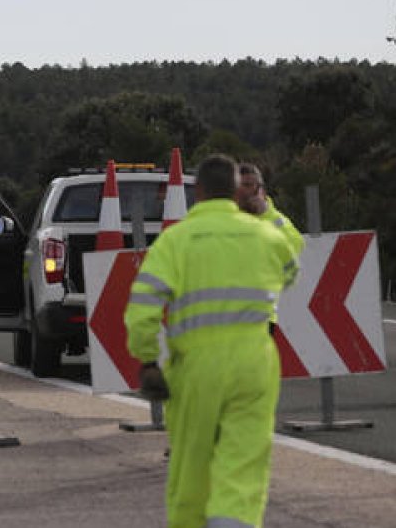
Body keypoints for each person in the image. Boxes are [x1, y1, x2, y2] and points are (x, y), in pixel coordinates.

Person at [125, 154, 299, 528]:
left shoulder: (175, 241)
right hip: (255, 362)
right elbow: (290, 267)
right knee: (244, 461)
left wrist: (148, 359)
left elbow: (143, 307)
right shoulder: (264, 235)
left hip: (196, 367)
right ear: (238, 190)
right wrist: (265, 214)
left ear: (197, 191)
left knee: (192, 469)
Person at [235, 163, 305, 256]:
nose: (243, 192)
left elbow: (295, 245)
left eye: (248, 185)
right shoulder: (227, 218)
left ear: (261, 190)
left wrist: (266, 214)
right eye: (238, 187)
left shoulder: (276, 219)